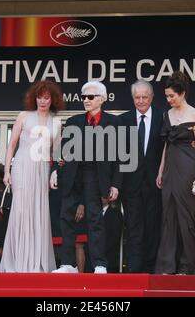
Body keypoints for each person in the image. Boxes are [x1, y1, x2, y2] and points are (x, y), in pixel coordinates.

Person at [51, 80, 122, 274]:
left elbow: (119, 157)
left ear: (102, 99)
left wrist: (116, 184)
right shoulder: (74, 121)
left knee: (94, 218)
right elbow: (61, 153)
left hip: (96, 175)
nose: (86, 100)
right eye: (84, 97)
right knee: (66, 217)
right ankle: (68, 264)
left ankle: (100, 263)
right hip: (72, 174)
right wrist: (55, 171)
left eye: (91, 97)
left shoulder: (113, 123)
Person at [0, 80, 64, 273]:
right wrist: (6, 171)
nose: (42, 101)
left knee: (39, 213)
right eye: (39, 97)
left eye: (46, 98)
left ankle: (36, 263)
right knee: (21, 211)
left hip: (43, 168)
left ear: (52, 100)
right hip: (23, 165)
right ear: (34, 98)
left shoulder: (57, 121)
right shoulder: (24, 116)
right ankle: (18, 262)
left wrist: (55, 172)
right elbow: (11, 145)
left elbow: (58, 151)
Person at [155, 71, 195, 275]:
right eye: (167, 96)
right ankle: (167, 266)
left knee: (186, 217)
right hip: (170, 166)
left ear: (182, 93)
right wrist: (161, 169)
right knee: (168, 215)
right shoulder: (167, 115)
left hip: (188, 166)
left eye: (172, 96)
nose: (169, 99)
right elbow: (166, 145)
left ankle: (188, 266)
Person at [119, 80, 166, 273]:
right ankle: (134, 272)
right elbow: (118, 156)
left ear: (152, 97)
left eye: (144, 97)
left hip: (156, 185)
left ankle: (151, 270)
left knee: (153, 229)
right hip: (131, 186)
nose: (140, 101)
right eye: (137, 97)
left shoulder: (163, 118)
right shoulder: (123, 120)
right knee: (133, 229)